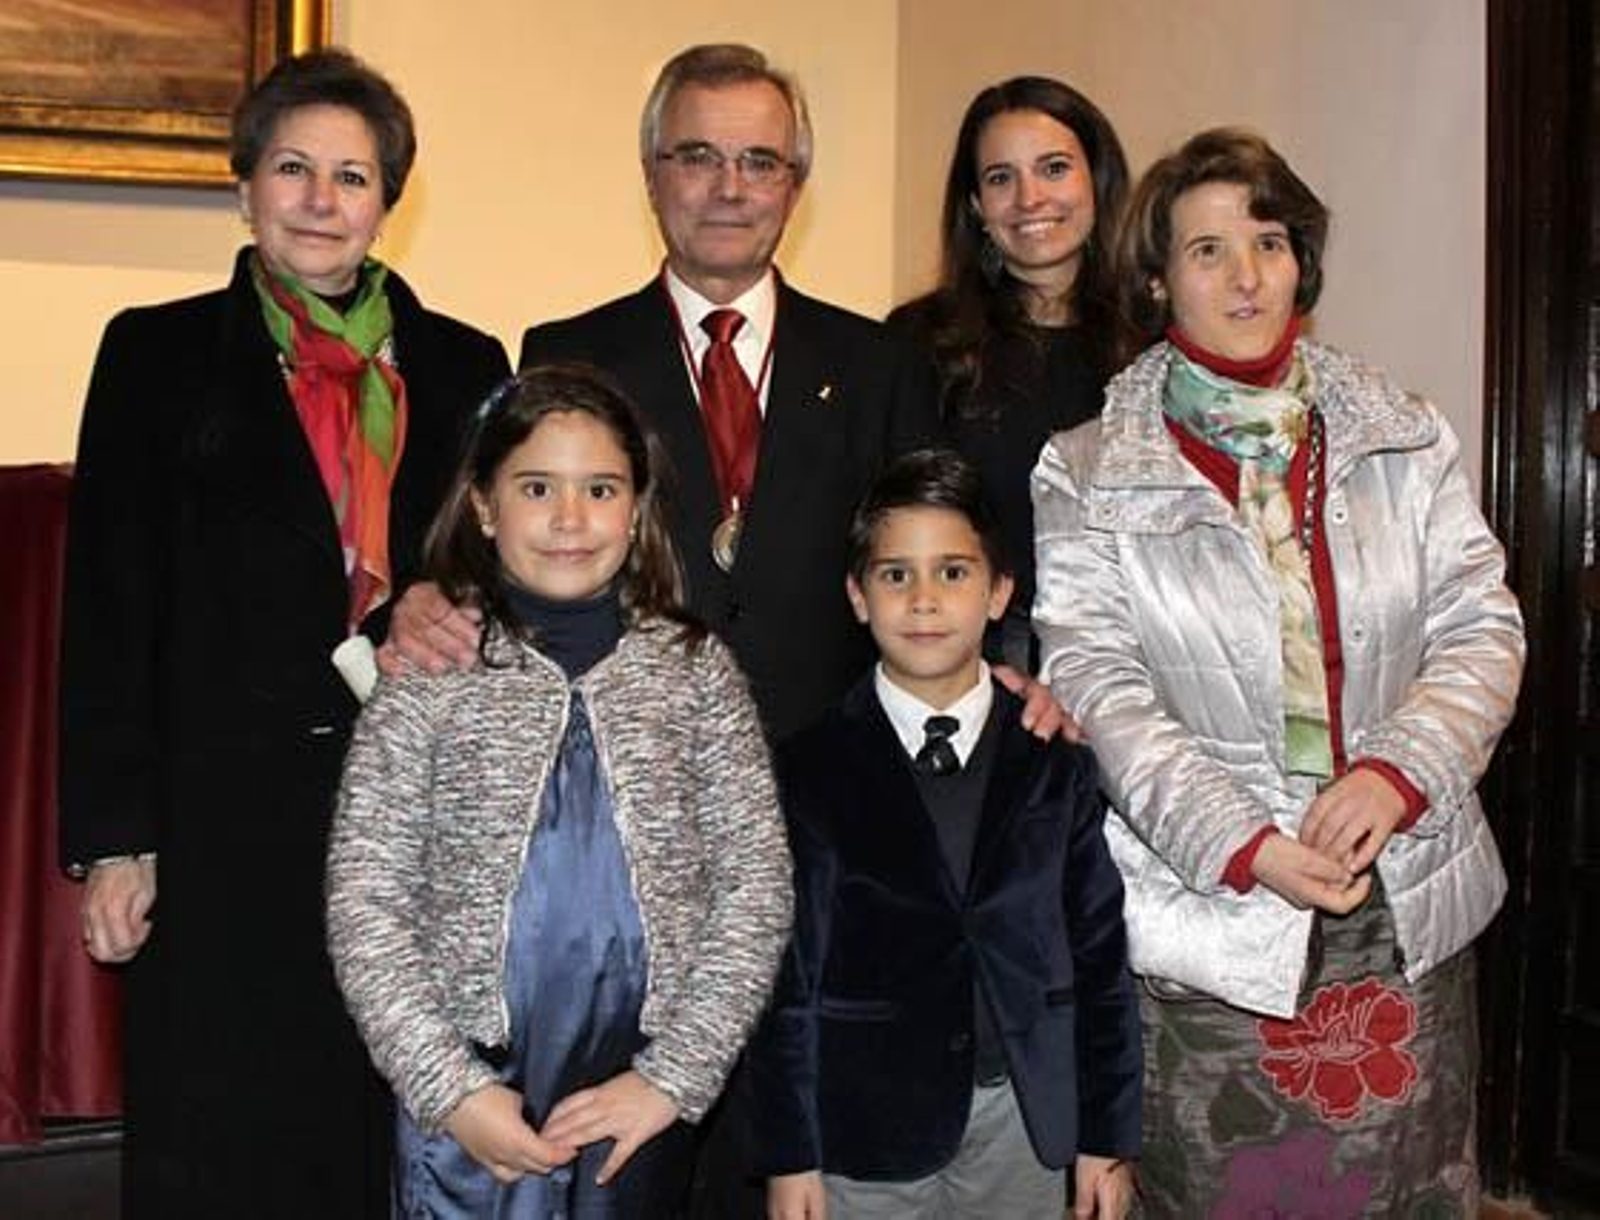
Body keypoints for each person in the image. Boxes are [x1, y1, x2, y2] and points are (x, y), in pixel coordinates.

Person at [1031, 128, 1525, 1214]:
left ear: (1302, 259)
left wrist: (1396, 770)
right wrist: (1246, 843)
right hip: (1216, 924)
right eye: (1206, 251)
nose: (1246, 274)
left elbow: (1483, 627)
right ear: (1157, 280)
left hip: (1403, 899)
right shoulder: (1088, 468)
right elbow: (1101, 687)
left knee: (1412, 1191)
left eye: (1268, 239)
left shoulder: (1402, 433)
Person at [57, 48, 509, 1218]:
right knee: (225, 1142)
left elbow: (494, 575)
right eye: (294, 168)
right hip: (220, 828)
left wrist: (435, 592)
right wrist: (116, 835)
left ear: (387, 201)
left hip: (410, 818)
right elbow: (109, 603)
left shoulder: (467, 365)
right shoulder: (154, 354)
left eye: (352, 176)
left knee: (385, 1138)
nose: (322, 199)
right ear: (244, 188)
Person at [326, 364, 792, 1218]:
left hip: (639, 1110)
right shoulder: (428, 678)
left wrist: (672, 1078)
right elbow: (365, 899)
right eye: (537, 487)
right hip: (468, 1111)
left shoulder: (695, 675)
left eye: (601, 488)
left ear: (638, 505)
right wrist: (451, 1088)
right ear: (483, 505)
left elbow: (755, 887)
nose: (570, 520)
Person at [751, 449, 1140, 1220]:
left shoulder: (1055, 763)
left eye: (953, 574)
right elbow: (783, 981)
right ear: (858, 597)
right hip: (864, 1126)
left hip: (1022, 1121)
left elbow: (1100, 961)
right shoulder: (806, 768)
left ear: (999, 593)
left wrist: (1107, 1134)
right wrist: (791, 1153)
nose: (924, 599)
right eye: (896, 575)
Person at [888, 77, 1128, 672]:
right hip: (980, 667)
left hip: (1142, 669)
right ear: (975, 206)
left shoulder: (1156, 340)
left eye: (1053, 168)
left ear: (1095, 180)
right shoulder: (921, 341)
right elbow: (900, 525)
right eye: (1000, 178)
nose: (1029, 198)